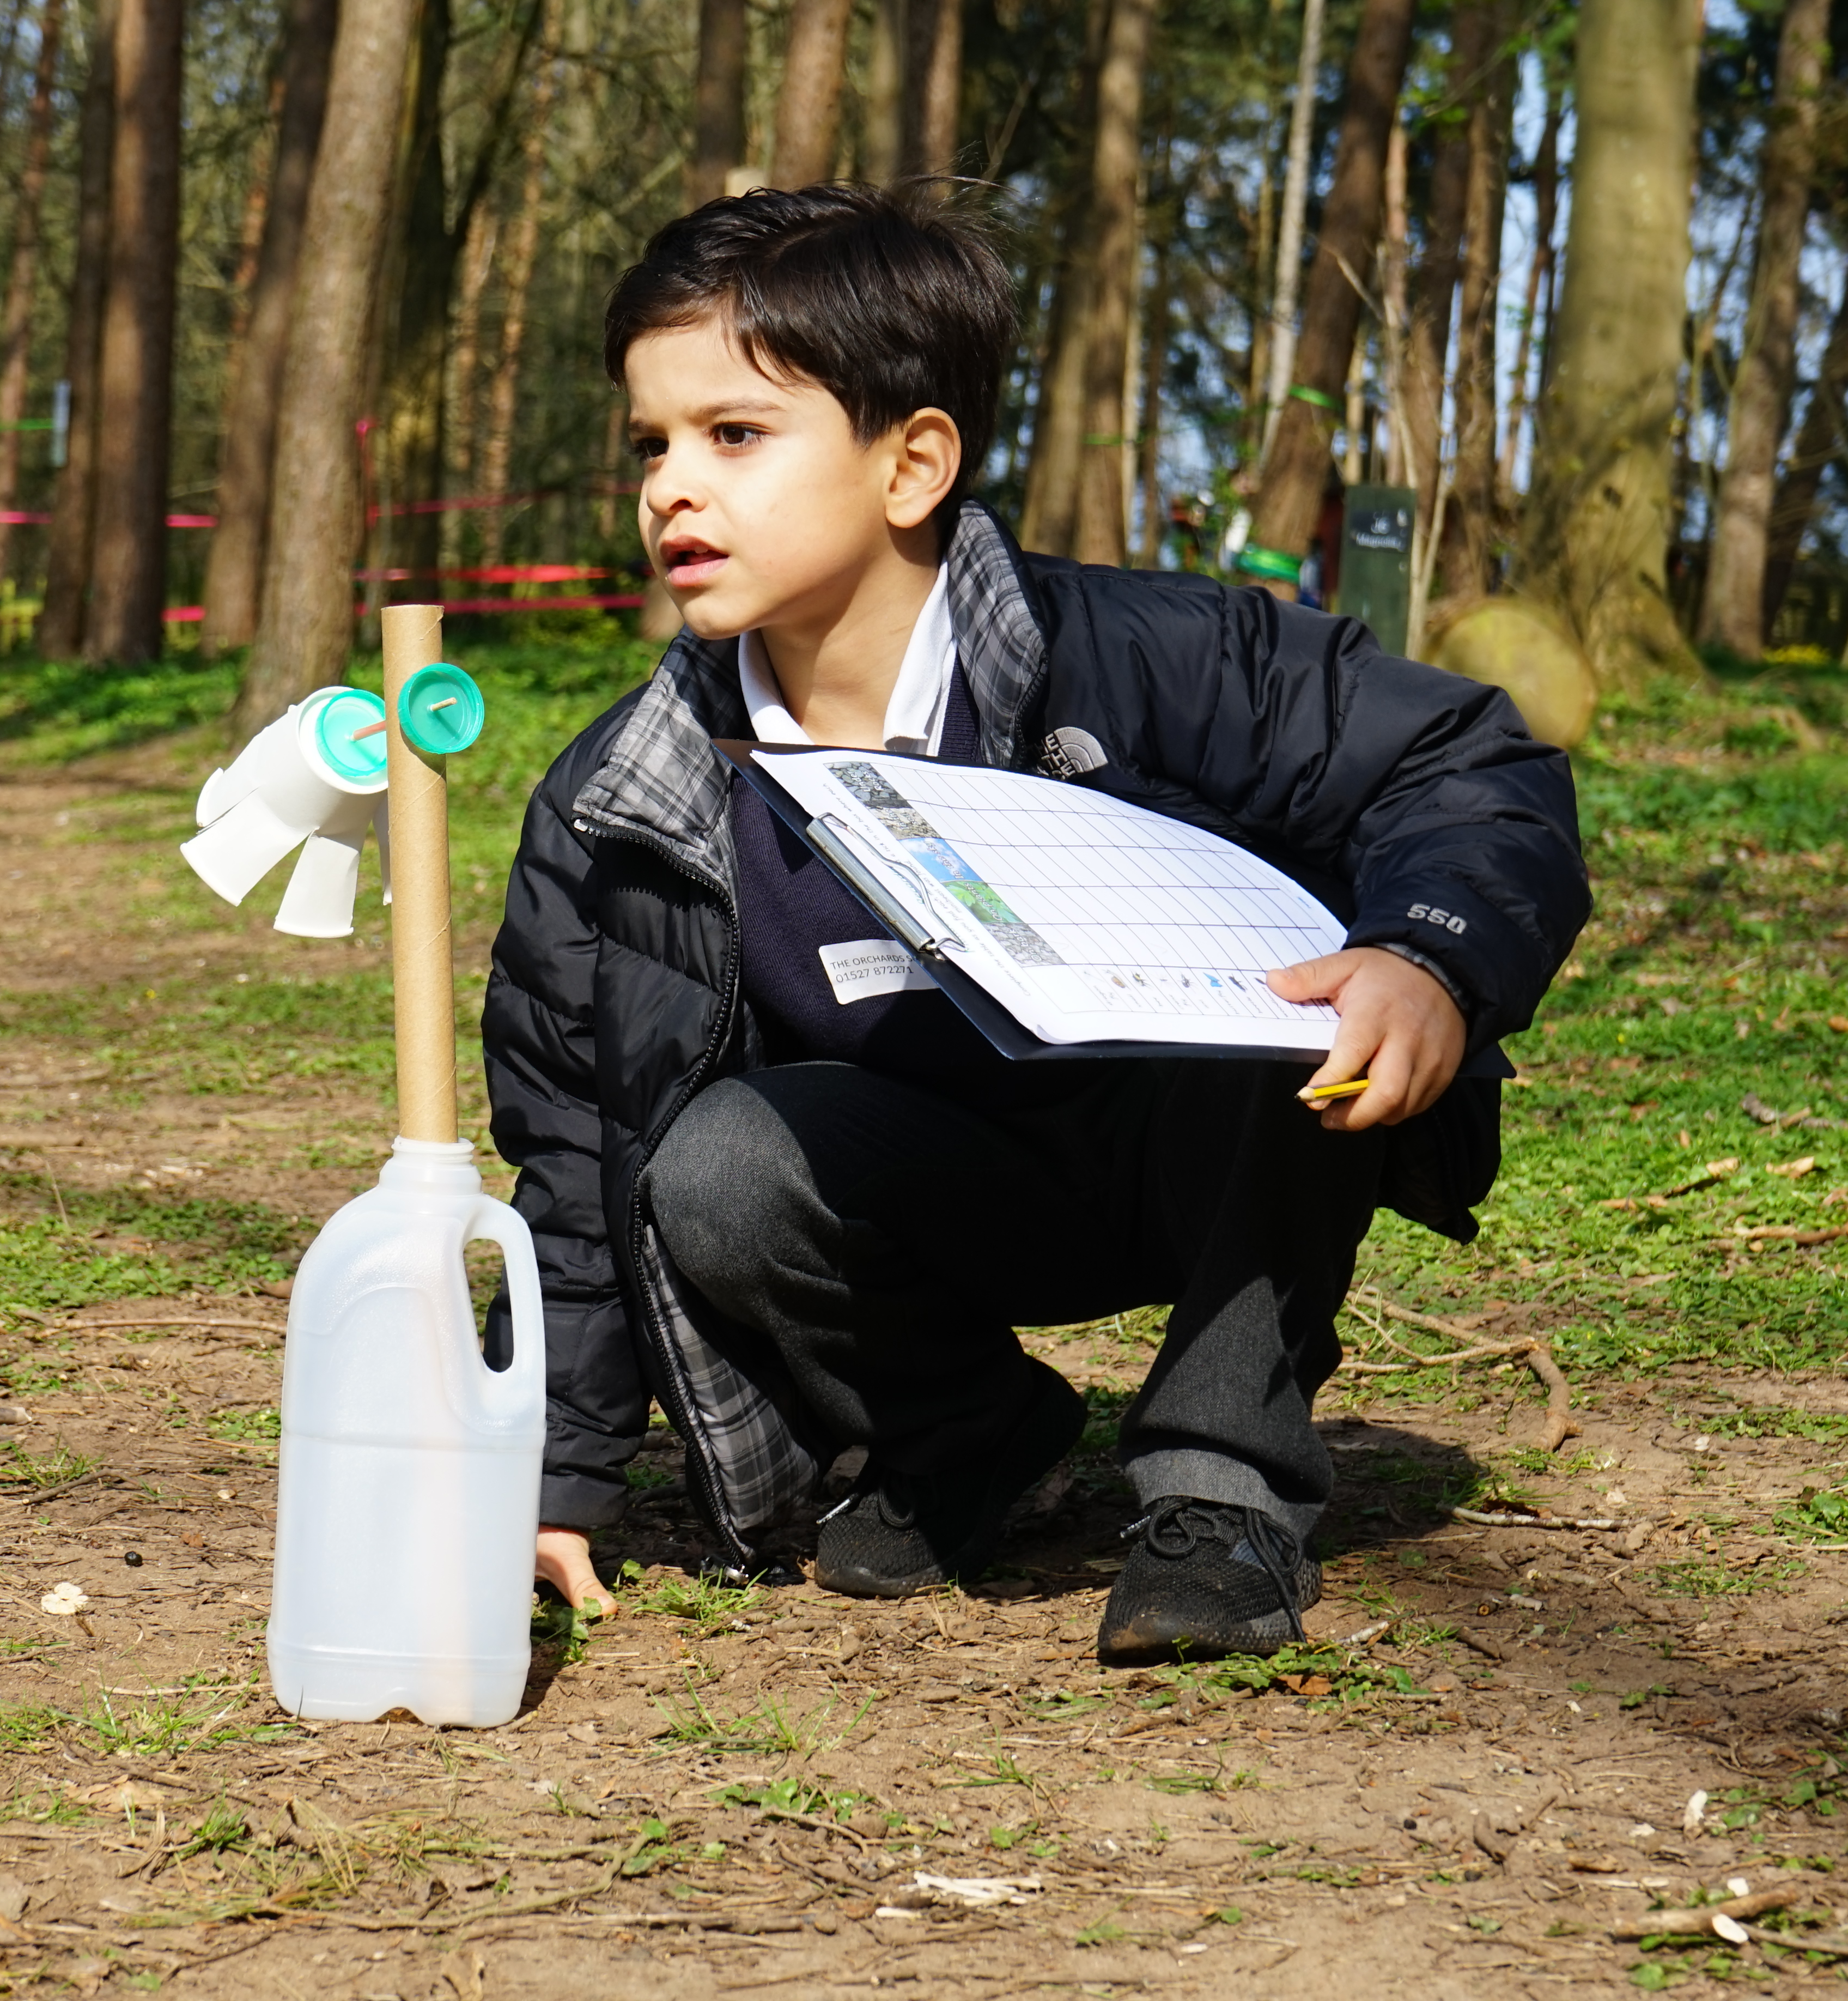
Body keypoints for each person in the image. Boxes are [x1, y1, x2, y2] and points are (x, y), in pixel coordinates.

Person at [478, 185, 1587, 1665]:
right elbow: (575, 1151)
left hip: (1216, 1146)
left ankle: (1222, 1488)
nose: (672, 488)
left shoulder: (1151, 656)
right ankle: (967, 1436)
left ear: (912, 464)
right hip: (937, 1195)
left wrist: (1429, 957)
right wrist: (553, 1472)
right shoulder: (622, 801)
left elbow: (1469, 761)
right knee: (713, 1163)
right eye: (651, 444)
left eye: (734, 435)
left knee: (1298, 996)